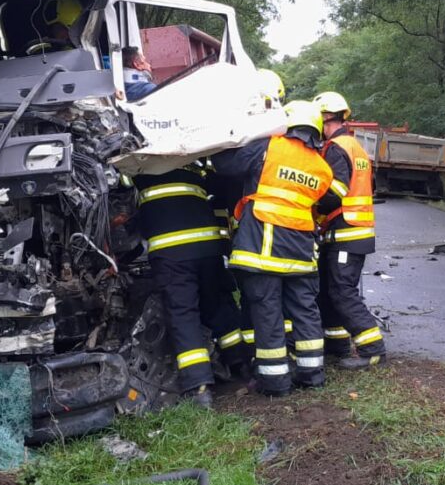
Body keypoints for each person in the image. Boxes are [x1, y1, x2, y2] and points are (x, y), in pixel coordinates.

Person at [211, 100, 339, 396]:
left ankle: (275, 382)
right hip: (302, 255)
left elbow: (225, 165)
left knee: (267, 313)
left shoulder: (270, 147)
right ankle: (312, 374)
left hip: (263, 251)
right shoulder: (322, 168)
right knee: (306, 312)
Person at [132, 163, 249, 407]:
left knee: (183, 314)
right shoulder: (193, 163)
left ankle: (199, 387)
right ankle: (241, 363)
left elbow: (127, 207)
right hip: (208, 245)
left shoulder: (136, 166)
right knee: (217, 302)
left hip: (171, 251)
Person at [312, 91, 385, 368]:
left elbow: (336, 192)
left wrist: (311, 203)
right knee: (330, 289)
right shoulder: (355, 146)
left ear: (324, 119)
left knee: (342, 291)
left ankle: (373, 350)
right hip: (351, 232)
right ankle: (338, 345)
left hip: (347, 233)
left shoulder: (335, 148)